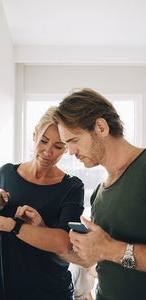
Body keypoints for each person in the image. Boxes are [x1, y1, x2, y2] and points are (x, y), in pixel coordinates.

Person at [0, 106, 85, 300]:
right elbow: (2, 237)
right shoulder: (5, 174)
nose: (48, 151)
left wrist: (40, 226)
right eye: (43, 141)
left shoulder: (72, 187)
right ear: (34, 135)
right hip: (4, 291)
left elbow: (65, 245)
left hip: (52, 292)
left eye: (58, 146)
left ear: (66, 148)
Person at [53, 88, 146, 300]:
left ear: (101, 127)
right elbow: (99, 261)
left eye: (74, 140)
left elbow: (110, 250)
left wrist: (109, 249)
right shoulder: (98, 193)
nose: (70, 152)